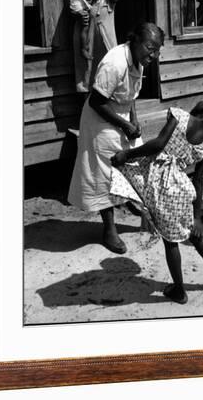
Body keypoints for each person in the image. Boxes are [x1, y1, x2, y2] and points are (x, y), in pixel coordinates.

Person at [110, 98, 203, 304]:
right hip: (182, 190)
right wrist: (197, 217)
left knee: (170, 241)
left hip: (161, 185)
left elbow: (158, 144)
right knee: (195, 234)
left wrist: (127, 154)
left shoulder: (180, 116)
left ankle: (179, 290)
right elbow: (199, 180)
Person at [68, 22, 165, 255]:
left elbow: (130, 95)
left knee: (137, 164)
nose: (154, 54)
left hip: (121, 116)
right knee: (105, 175)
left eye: (157, 50)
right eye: (150, 48)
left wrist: (134, 120)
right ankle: (109, 230)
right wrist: (124, 124)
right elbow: (96, 101)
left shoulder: (139, 60)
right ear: (135, 42)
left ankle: (144, 213)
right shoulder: (115, 63)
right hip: (100, 121)